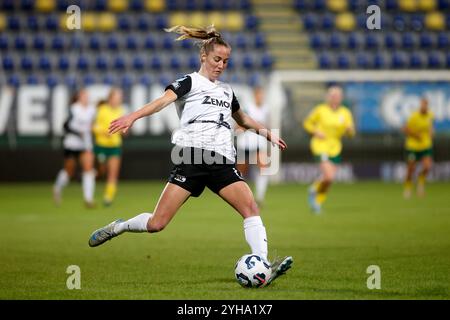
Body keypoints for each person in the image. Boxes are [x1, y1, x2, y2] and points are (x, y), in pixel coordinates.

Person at [88, 25, 292, 286]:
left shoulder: (227, 91)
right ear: (204, 57)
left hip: (221, 159)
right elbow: (162, 101)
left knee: (251, 208)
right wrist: (132, 116)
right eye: (217, 59)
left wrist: (267, 134)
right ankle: (119, 226)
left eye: (226, 61)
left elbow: (243, 119)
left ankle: (262, 264)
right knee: (157, 223)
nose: (221, 65)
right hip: (193, 158)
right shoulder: (189, 82)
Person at [303, 85, 355, 214]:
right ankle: (314, 191)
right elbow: (307, 123)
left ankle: (317, 202)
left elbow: (351, 133)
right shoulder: (320, 110)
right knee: (329, 176)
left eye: (338, 96)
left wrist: (349, 131)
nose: (335, 98)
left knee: (328, 180)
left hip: (335, 147)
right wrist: (316, 132)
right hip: (320, 145)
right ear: (328, 97)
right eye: (333, 96)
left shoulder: (345, 113)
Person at [53, 88, 96, 208]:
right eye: (84, 96)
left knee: (88, 169)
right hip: (72, 143)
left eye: (87, 96)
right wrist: (78, 133)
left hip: (85, 144)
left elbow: (92, 125)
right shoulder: (74, 109)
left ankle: (88, 199)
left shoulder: (92, 110)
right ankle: (57, 187)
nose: (86, 98)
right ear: (79, 97)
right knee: (69, 172)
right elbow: (65, 126)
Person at [235, 86, 270, 207]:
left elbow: (265, 127)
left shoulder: (266, 109)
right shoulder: (248, 108)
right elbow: (238, 126)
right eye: (259, 95)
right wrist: (247, 128)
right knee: (241, 171)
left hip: (259, 144)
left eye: (262, 95)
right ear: (255, 96)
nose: (261, 98)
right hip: (244, 143)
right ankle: (241, 197)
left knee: (263, 167)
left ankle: (259, 198)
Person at [93, 88, 126, 206]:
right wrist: (104, 132)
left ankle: (108, 198)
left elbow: (122, 128)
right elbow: (94, 127)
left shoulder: (120, 110)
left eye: (120, 98)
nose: (119, 100)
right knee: (102, 171)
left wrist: (124, 130)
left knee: (113, 173)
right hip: (101, 145)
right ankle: (90, 180)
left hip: (115, 146)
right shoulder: (102, 110)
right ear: (111, 98)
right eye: (117, 97)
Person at [402, 98, 434, 198]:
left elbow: (430, 126)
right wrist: (416, 135)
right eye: (423, 105)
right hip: (413, 146)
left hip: (425, 145)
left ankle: (420, 183)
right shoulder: (414, 116)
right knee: (411, 169)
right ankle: (408, 188)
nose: (424, 107)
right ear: (420, 105)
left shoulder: (430, 115)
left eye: (426, 105)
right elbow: (405, 129)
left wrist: (431, 132)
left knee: (427, 167)